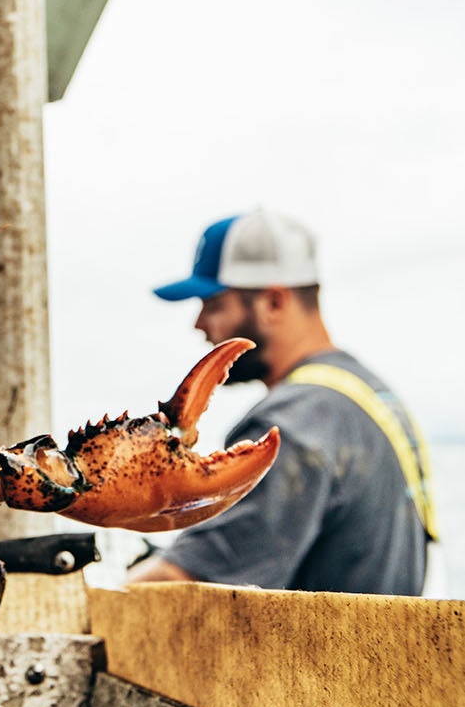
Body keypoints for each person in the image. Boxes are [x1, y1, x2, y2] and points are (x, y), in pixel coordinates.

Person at [126, 208, 439, 595]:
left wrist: (99, 599)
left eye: (213, 304)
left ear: (274, 302)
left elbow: (185, 581)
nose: (200, 323)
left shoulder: (292, 422)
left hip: (323, 656)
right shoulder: (370, 395)